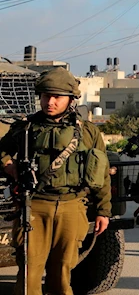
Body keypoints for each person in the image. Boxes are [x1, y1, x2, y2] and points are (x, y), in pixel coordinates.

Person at [0, 67, 111, 295]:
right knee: (29, 270)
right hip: (34, 207)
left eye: (57, 97)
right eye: (45, 96)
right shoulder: (24, 128)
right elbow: (1, 151)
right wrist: (7, 164)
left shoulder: (88, 132)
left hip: (72, 206)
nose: (50, 102)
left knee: (62, 271)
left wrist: (103, 211)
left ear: (70, 100)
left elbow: (101, 175)